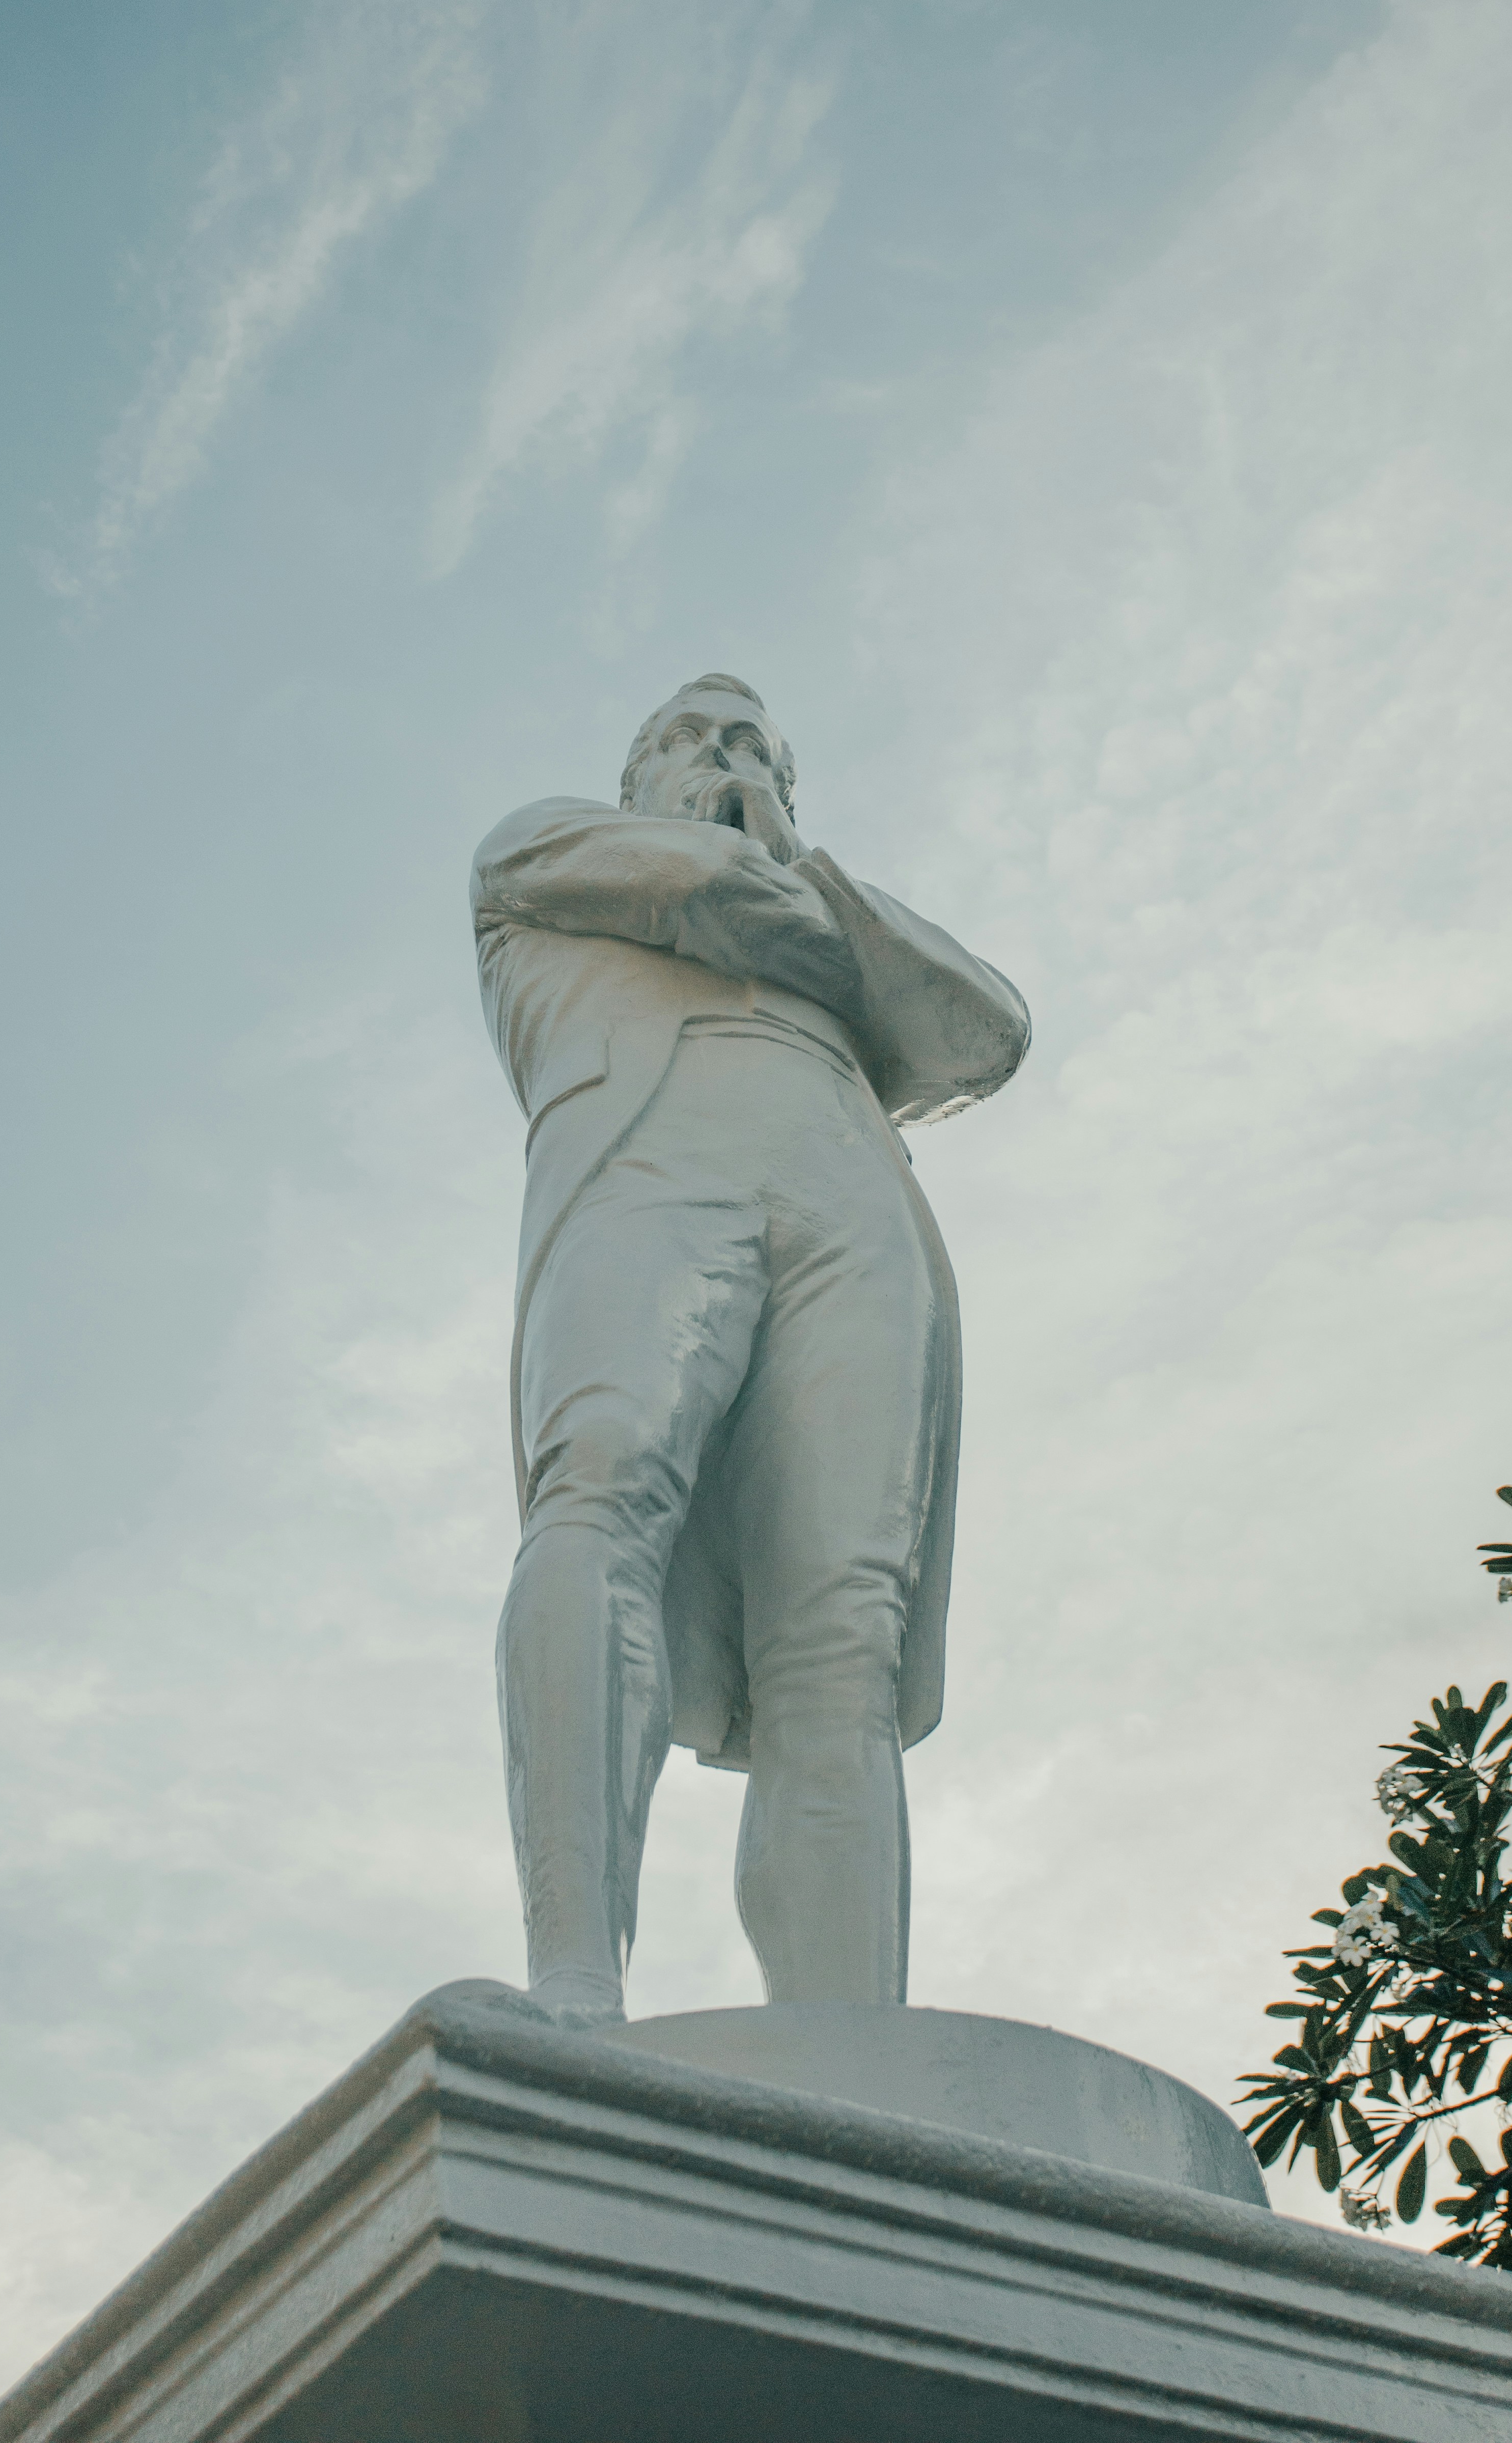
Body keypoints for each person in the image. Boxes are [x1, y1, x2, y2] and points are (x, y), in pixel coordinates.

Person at [471, 673, 1029, 2022]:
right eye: (691, 740)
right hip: (652, 1166)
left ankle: (852, 2042)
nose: (722, 762)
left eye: (753, 748)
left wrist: (800, 865)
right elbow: (703, 895)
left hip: (850, 1205)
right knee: (602, 1480)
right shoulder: (541, 851)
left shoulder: (814, 888)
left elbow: (985, 1027)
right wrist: (796, 906)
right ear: (634, 771)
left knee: (842, 1625)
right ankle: (575, 1976)